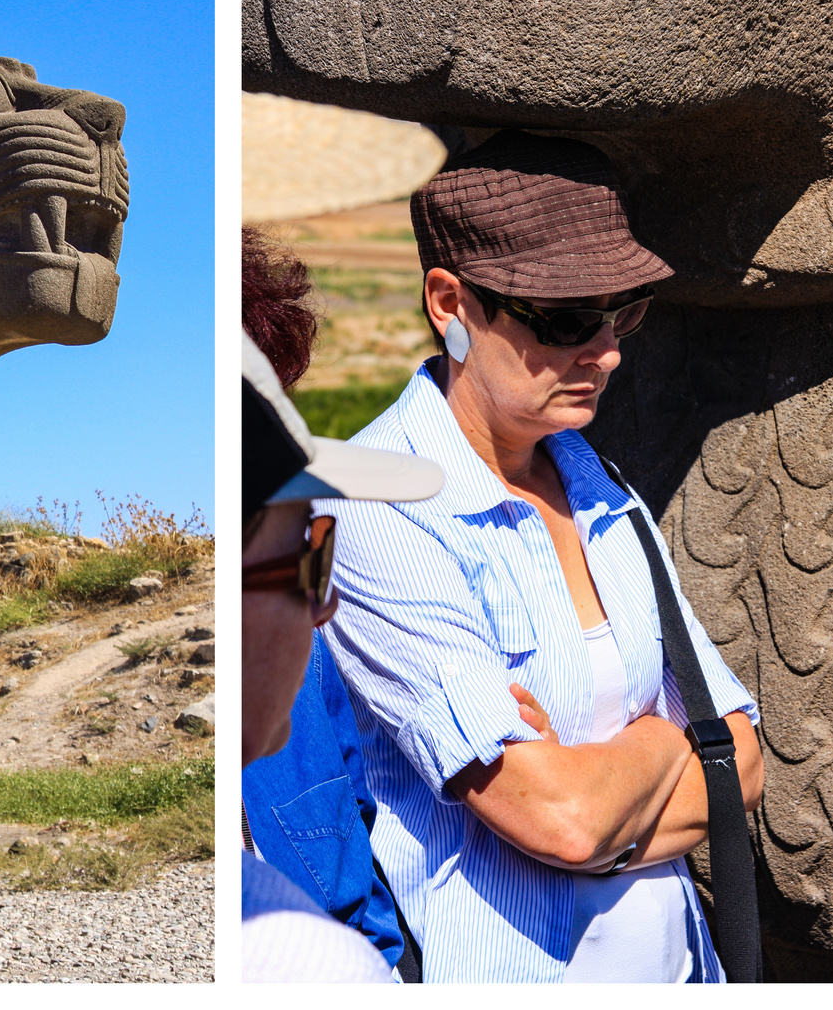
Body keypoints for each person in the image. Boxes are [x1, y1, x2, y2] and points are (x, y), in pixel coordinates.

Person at [316, 130, 763, 982]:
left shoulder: (603, 490)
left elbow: (741, 764)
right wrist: (668, 741)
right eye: (565, 320)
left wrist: (604, 797)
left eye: (624, 311)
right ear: (448, 303)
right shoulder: (377, 508)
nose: (606, 351)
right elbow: (559, 820)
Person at [240, 331, 443, 982]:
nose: (325, 606)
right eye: (311, 557)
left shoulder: (312, 667)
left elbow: (359, 862)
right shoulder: (284, 953)